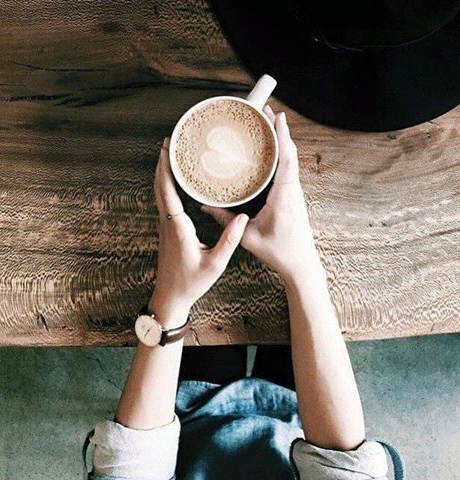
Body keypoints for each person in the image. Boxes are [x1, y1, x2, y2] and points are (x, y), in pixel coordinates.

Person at [83, 107, 404, 479]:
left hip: (192, 420)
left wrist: (170, 303)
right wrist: (302, 267)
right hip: (301, 420)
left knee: (218, 265)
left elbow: (126, 468)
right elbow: (347, 468)